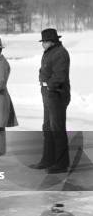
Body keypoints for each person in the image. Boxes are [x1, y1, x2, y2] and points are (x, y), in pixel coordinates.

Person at [31, 28, 71, 173]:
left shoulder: (60, 53)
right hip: (48, 94)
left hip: (57, 94)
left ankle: (61, 164)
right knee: (47, 127)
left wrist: (48, 86)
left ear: (52, 41)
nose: (43, 44)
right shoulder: (50, 52)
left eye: (45, 41)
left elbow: (60, 76)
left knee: (57, 128)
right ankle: (48, 159)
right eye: (43, 41)